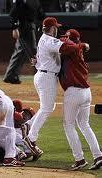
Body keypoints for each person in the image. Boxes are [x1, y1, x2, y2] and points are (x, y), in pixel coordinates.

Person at [23, 17, 88, 159]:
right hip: (46, 77)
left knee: (46, 107)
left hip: (43, 75)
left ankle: (27, 126)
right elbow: (65, 48)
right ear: (52, 28)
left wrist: (37, 61)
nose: (57, 29)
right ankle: (31, 138)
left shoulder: (44, 39)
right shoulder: (48, 39)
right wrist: (81, 46)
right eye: (56, 27)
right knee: (47, 108)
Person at [59, 29, 102, 170]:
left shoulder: (71, 49)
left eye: (67, 37)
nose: (65, 39)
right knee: (84, 125)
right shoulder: (77, 50)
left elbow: (64, 43)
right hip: (86, 93)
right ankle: (98, 156)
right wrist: (83, 44)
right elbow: (74, 45)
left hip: (74, 92)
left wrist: (82, 44)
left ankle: (79, 159)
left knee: (68, 125)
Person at [3, 0, 45, 84]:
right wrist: (14, 28)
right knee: (32, 51)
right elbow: (13, 14)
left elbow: (40, 14)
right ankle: (40, 74)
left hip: (31, 25)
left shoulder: (35, 1)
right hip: (24, 26)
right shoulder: (21, 1)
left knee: (20, 52)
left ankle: (10, 75)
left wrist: (42, 23)